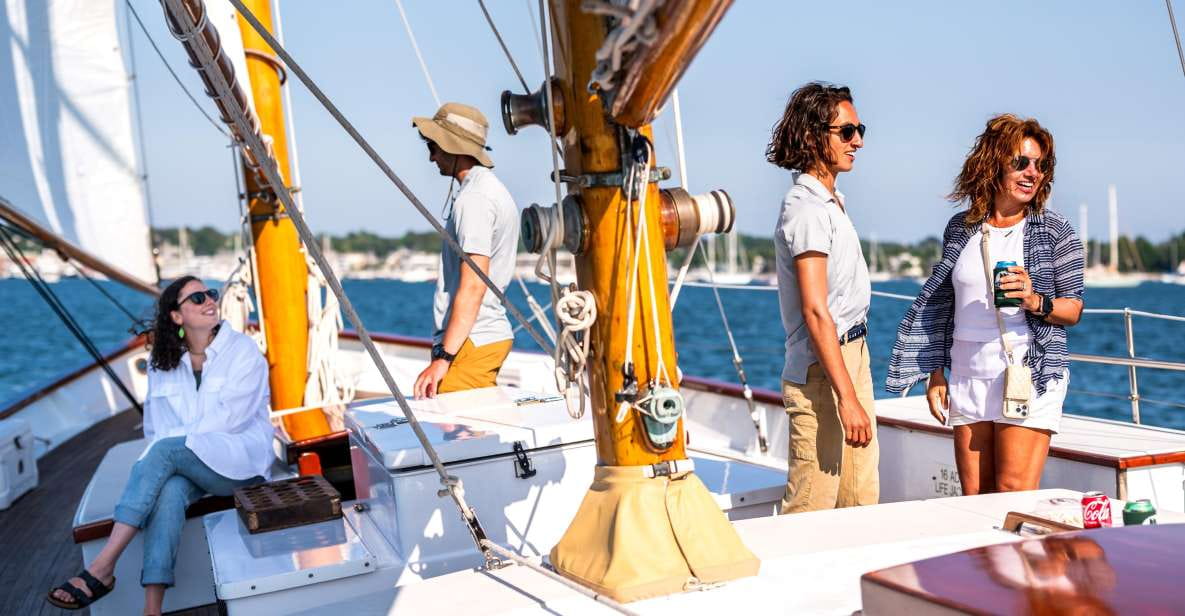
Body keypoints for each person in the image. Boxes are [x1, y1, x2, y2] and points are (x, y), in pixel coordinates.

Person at [48, 276, 273, 614]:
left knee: (166, 452)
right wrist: (169, 456)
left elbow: (230, 423)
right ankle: (152, 608)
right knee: (168, 491)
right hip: (188, 461)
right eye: (196, 298)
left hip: (239, 462)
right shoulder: (163, 362)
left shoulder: (242, 351)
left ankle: (103, 566)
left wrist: (172, 450)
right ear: (176, 316)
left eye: (210, 294)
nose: (209, 300)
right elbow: (155, 427)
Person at [887, 114, 1084, 494]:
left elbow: (1073, 309)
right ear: (994, 163)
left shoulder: (1055, 230)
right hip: (966, 375)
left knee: (1011, 495)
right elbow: (944, 307)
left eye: (1040, 165)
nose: (1032, 173)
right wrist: (936, 373)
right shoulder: (961, 228)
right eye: (1021, 162)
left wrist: (1033, 299)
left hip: (1027, 373)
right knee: (975, 499)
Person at [767, 82, 877, 514]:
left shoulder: (831, 202)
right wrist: (846, 398)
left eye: (859, 129)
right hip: (821, 371)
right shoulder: (807, 209)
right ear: (814, 137)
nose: (858, 141)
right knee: (812, 506)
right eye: (846, 132)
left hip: (851, 355)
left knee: (859, 500)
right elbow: (815, 311)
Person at [411, 102, 519, 398]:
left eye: (434, 145)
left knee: (458, 440)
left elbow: (474, 286)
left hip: (471, 342)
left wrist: (444, 358)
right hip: (477, 339)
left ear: (453, 146)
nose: (431, 156)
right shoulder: (490, 190)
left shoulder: (474, 200)